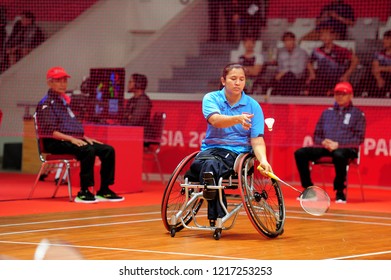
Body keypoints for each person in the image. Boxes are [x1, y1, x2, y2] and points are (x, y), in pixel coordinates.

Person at [189, 63, 272, 225]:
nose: (238, 83)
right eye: (233, 78)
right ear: (223, 80)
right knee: (203, 164)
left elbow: (257, 139)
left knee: (210, 167)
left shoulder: (253, 106)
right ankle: (216, 209)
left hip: (237, 154)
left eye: (242, 79)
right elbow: (215, 120)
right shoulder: (211, 98)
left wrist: (263, 160)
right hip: (211, 150)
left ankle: (216, 215)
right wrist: (238, 118)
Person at [35, 66, 124, 203]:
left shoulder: (64, 102)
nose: (63, 84)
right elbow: (50, 131)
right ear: (50, 83)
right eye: (59, 81)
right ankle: (84, 191)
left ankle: (104, 190)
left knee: (107, 150)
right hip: (54, 142)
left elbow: (71, 126)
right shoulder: (46, 103)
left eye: (64, 81)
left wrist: (83, 138)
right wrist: (72, 139)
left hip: (71, 140)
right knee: (87, 150)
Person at [294, 82, 366, 203]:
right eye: (337, 93)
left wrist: (339, 144)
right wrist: (324, 142)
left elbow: (359, 138)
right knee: (300, 153)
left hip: (346, 149)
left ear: (350, 95)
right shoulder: (327, 113)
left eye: (343, 94)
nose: (340, 96)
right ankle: (309, 190)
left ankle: (340, 191)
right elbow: (317, 135)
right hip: (326, 147)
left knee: (339, 155)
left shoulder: (358, 114)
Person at [305, 25, 359, 96]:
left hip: (337, 78)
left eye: (327, 35)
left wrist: (347, 74)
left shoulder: (341, 50)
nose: (325, 37)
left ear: (332, 36)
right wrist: (312, 73)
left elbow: (355, 60)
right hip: (321, 79)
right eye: (323, 35)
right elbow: (308, 62)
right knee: (312, 86)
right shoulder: (317, 51)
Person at [272, 31, 308, 96]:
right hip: (283, 78)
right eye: (286, 41)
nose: (288, 42)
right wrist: (282, 73)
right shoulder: (280, 52)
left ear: (294, 40)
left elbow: (300, 70)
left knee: (289, 76)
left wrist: (285, 71)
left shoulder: (302, 52)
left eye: (290, 40)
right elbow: (279, 68)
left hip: (297, 78)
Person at [361, 30, 391, 98]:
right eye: (384, 39)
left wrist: (381, 68)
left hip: (389, 76)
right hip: (380, 75)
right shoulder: (378, 54)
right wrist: (379, 78)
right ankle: (365, 93)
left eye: (387, 39)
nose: (384, 41)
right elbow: (375, 67)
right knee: (368, 71)